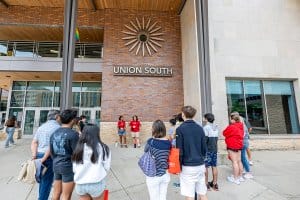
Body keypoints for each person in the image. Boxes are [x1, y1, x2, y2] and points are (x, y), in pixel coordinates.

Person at [176, 106, 208, 200]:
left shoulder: (180, 129)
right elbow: (204, 148)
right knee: (202, 193)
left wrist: (179, 166)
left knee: (189, 195)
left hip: (187, 166)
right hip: (200, 165)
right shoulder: (200, 128)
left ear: (183, 115)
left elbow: (179, 150)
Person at [72, 124, 111, 200]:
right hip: (96, 182)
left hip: (80, 184)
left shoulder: (78, 148)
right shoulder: (103, 147)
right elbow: (106, 167)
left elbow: (74, 168)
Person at [50, 109, 80, 200]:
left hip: (56, 165)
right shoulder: (73, 134)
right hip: (68, 167)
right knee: (66, 196)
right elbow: (77, 154)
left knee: (56, 193)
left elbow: (52, 152)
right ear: (72, 120)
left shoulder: (54, 133)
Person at [31, 110, 61, 200]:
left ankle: (41, 197)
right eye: (59, 117)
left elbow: (34, 142)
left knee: (42, 180)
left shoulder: (41, 127)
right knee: (47, 181)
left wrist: (34, 156)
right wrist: (44, 158)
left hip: (39, 155)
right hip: (49, 157)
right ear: (56, 116)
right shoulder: (58, 128)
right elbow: (52, 146)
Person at [144, 120, 171, 200]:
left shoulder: (151, 142)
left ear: (154, 130)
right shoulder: (168, 143)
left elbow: (145, 151)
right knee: (163, 197)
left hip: (153, 175)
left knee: (154, 197)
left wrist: (153, 138)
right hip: (165, 173)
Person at [223, 112, 244, 185]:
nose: (229, 120)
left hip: (232, 145)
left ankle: (235, 178)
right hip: (239, 144)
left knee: (234, 162)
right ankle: (240, 176)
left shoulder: (231, 126)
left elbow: (224, 133)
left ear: (233, 120)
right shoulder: (241, 125)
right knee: (239, 161)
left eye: (230, 119)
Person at [203, 113, 219, 191]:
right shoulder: (216, 127)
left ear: (206, 119)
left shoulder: (206, 128)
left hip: (207, 150)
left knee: (206, 167)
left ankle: (206, 184)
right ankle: (215, 184)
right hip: (215, 149)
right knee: (214, 166)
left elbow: (205, 140)